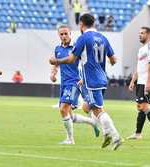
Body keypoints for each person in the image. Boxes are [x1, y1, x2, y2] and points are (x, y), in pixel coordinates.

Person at [50, 13, 122, 150]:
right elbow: (113, 60)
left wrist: (56, 61)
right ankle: (107, 133)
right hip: (101, 78)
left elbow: (71, 59)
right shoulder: (103, 38)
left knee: (98, 110)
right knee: (91, 108)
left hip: (90, 79)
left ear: (81, 24)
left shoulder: (83, 38)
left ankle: (115, 136)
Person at [50, 25, 99, 145]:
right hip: (64, 84)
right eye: (61, 34)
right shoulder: (58, 49)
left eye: (66, 33)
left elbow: (86, 62)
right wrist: (53, 73)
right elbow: (56, 63)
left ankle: (70, 139)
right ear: (59, 35)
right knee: (69, 115)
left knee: (63, 109)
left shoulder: (77, 47)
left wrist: (83, 77)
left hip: (74, 83)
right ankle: (92, 122)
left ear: (70, 33)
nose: (64, 36)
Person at [127, 27, 150, 141]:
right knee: (140, 107)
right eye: (139, 33)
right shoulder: (141, 49)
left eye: (142, 33)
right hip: (141, 82)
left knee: (144, 106)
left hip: (147, 82)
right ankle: (138, 133)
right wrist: (133, 81)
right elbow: (139, 67)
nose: (139, 35)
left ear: (149, 35)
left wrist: (148, 83)